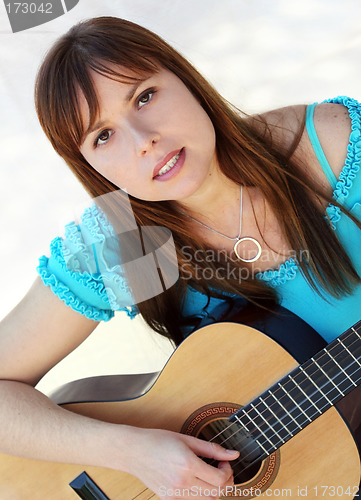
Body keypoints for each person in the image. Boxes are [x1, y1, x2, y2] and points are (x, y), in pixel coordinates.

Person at [0, 15, 360, 499]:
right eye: (102, 136)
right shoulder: (130, 241)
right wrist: (132, 452)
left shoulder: (329, 149)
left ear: (184, 77)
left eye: (144, 96)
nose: (143, 139)